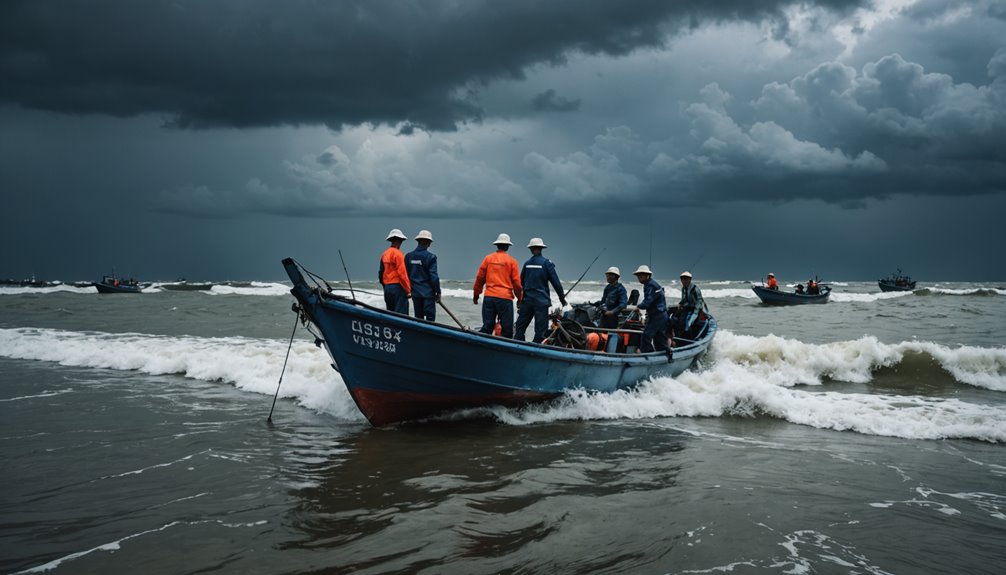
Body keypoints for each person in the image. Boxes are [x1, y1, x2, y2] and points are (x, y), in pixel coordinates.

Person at [514, 238, 567, 343]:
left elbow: (520, 284)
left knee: (520, 327)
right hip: (541, 302)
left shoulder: (527, 264)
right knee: (540, 331)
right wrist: (562, 299)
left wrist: (519, 300)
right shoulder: (547, 263)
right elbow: (556, 283)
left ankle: (518, 345)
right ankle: (535, 347)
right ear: (542, 248)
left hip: (527, 301)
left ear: (531, 249)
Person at [473, 233, 523, 338]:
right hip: (505, 299)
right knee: (507, 330)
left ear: (497, 245)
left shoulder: (488, 259)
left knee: (487, 327)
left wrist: (476, 295)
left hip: (489, 297)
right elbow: (517, 284)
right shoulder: (512, 262)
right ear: (508, 246)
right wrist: (520, 298)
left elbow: (480, 278)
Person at [626, 265, 668, 353]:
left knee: (646, 336)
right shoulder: (648, 284)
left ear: (647, 275)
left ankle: (648, 355)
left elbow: (647, 302)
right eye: (638, 276)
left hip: (658, 316)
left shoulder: (651, 286)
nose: (639, 277)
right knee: (659, 338)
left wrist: (638, 307)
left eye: (641, 275)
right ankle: (665, 355)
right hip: (659, 315)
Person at [405, 229, 441, 321]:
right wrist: (438, 291)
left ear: (418, 241)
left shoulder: (408, 256)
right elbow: (434, 277)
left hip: (415, 293)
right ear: (429, 243)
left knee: (418, 319)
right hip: (428, 294)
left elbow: (406, 275)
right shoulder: (431, 257)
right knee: (430, 320)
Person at [378, 228, 411, 314]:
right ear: (400, 240)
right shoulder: (398, 254)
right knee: (401, 316)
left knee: (390, 314)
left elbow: (381, 273)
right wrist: (408, 290)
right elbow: (402, 274)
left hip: (388, 288)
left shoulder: (384, 254)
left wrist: (386, 287)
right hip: (398, 288)